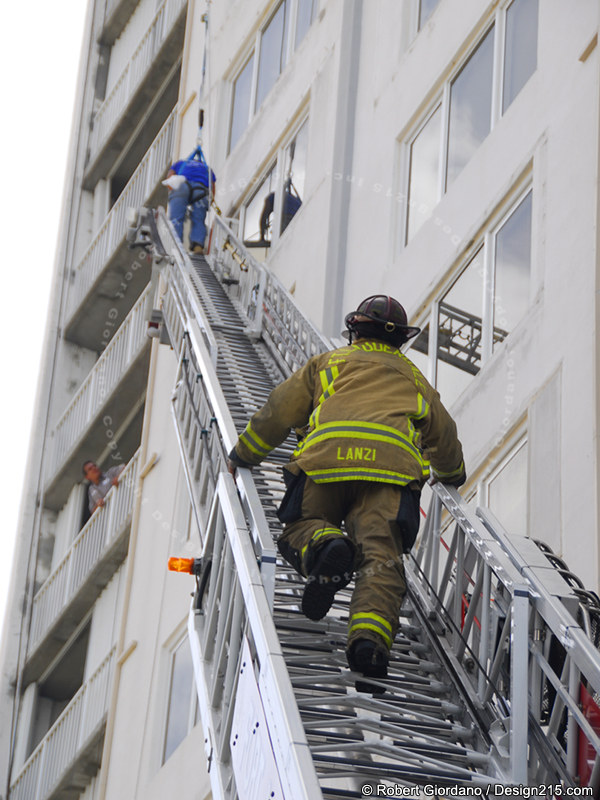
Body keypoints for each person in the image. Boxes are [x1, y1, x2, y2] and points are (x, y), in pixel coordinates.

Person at [227, 295, 466, 691]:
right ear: (400, 341)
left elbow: (278, 411)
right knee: (381, 558)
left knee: (303, 525)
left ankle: (326, 545)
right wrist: (451, 474)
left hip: (325, 463)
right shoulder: (415, 379)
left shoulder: (327, 364)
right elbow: (445, 436)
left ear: (354, 331)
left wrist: (243, 453)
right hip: (389, 475)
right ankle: (369, 644)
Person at [165, 147, 216, 254]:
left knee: (177, 218)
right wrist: (209, 202)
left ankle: (176, 245)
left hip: (182, 186)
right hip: (200, 190)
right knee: (199, 219)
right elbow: (212, 187)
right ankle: (198, 245)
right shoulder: (207, 168)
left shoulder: (181, 163)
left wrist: (174, 194)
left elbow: (170, 177)